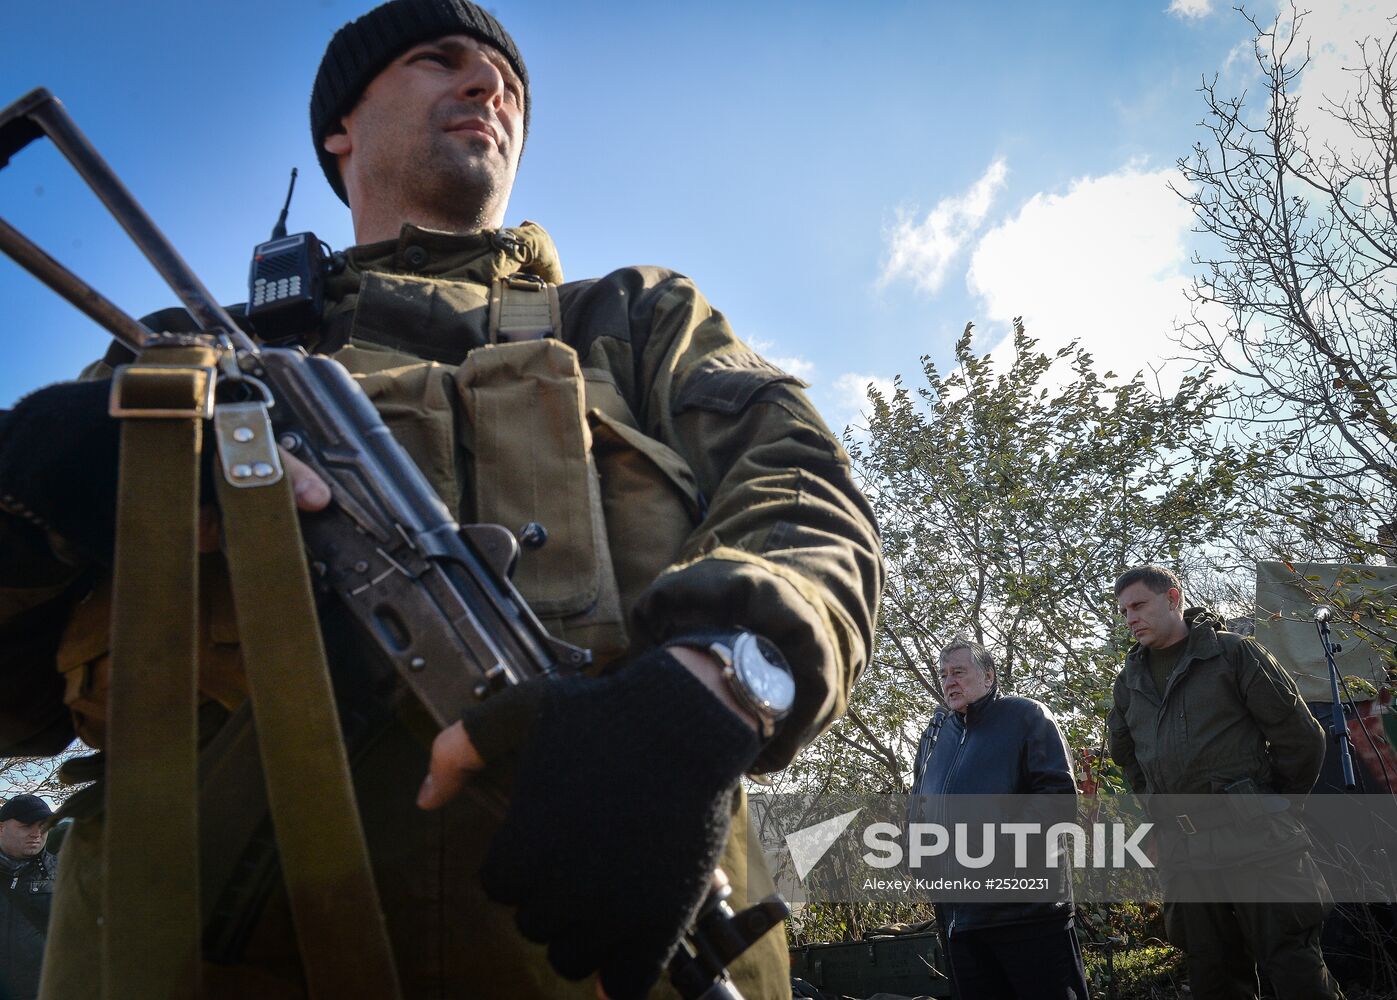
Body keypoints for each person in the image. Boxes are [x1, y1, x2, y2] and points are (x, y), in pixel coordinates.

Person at [0, 2, 883, 998]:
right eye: (438, 58)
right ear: (339, 128)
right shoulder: (168, 357)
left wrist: (709, 690)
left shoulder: (636, 318)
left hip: (618, 946)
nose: (489, 86)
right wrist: (37, 493)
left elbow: (805, 496)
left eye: (508, 84)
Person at [1107, 564, 1341, 1000]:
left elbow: (1301, 739)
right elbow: (1129, 759)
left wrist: (1270, 805)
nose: (1130, 618)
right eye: (1124, 612)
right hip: (1186, 853)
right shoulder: (1129, 681)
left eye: (1138, 605)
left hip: (1260, 844)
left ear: (1172, 598)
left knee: (1295, 971)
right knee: (1213, 976)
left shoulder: (1233, 654)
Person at [908, 640, 1089, 1000]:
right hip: (959, 921)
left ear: (988, 676)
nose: (949, 682)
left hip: (1026, 915)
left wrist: (992, 852)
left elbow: (1057, 800)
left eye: (959, 672)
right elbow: (918, 809)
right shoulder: (935, 736)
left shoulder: (1026, 716)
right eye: (943, 675)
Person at [0, 794, 57, 1000]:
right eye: (26, 826)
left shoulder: (65, 874)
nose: (37, 833)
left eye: (43, 826)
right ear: (1, 828)